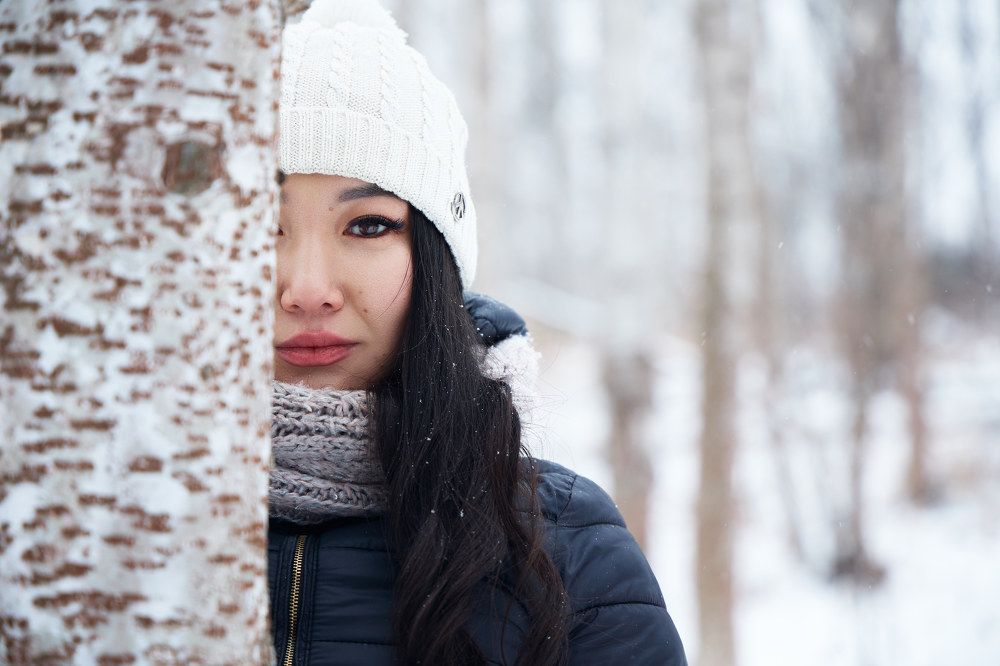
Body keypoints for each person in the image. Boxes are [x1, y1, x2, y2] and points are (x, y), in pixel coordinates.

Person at [267, 1, 687, 664]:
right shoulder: (90, 520)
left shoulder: (567, 554)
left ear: (435, 261)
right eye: (262, 225)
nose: (307, 287)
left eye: (368, 225)